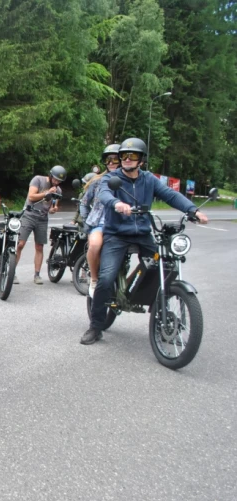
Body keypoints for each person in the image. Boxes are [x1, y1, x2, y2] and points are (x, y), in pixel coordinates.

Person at [81, 137, 209, 345]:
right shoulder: (110, 178)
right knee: (105, 279)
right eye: (123, 155)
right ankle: (95, 327)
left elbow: (170, 195)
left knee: (164, 269)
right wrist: (116, 203)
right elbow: (104, 194)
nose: (127, 159)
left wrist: (193, 210)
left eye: (132, 156)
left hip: (142, 233)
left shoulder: (148, 179)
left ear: (141, 160)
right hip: (116, 235)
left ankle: (161, 319)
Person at [80, 144, 120, 298]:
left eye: (114, 159)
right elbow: (84, 202)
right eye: (108, 160)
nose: (110, 163)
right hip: (99, 222)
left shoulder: (129, 181)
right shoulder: (97, 181)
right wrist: (85, 220)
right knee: (95, 245)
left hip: (122, 225)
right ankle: (94, 279)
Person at [15, 165, 67, 285]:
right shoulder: (38, 179)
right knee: (20, 244)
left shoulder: (58, 190)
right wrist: (46, 193)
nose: (57, 182)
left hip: (43, 218)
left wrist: (54, 210)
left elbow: (53, 206)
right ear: (50, 175)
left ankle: (37, 275)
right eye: (55, 179)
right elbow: (31, 196)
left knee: (39, 246)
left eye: (59, 181)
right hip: (29, 214)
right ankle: (12, 272)